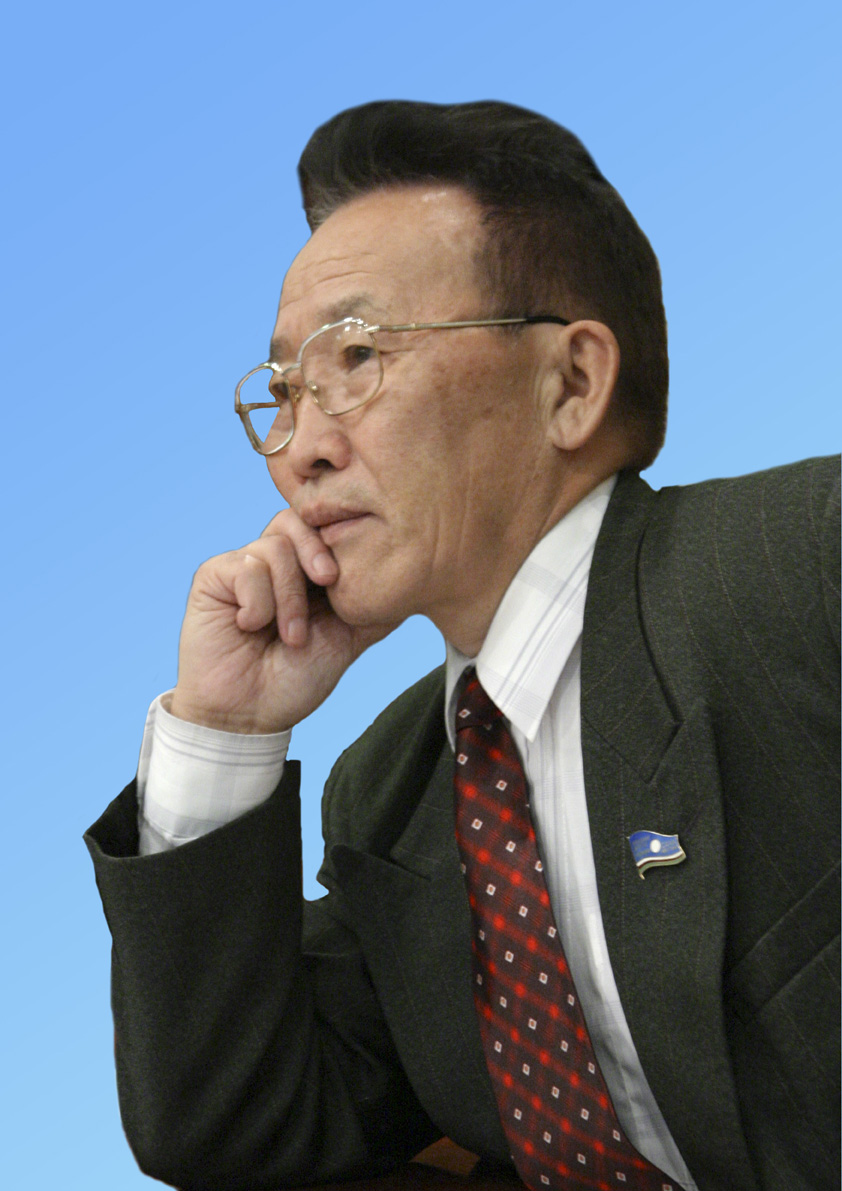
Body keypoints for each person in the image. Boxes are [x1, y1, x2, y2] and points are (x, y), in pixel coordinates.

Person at [85, 101, 840, 1191]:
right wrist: (224, 732)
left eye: (356, 355)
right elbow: (230, 1133)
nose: (298, 447)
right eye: (285, 390)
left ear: (570, 383)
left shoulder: (801, 565)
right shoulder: (390, 794)